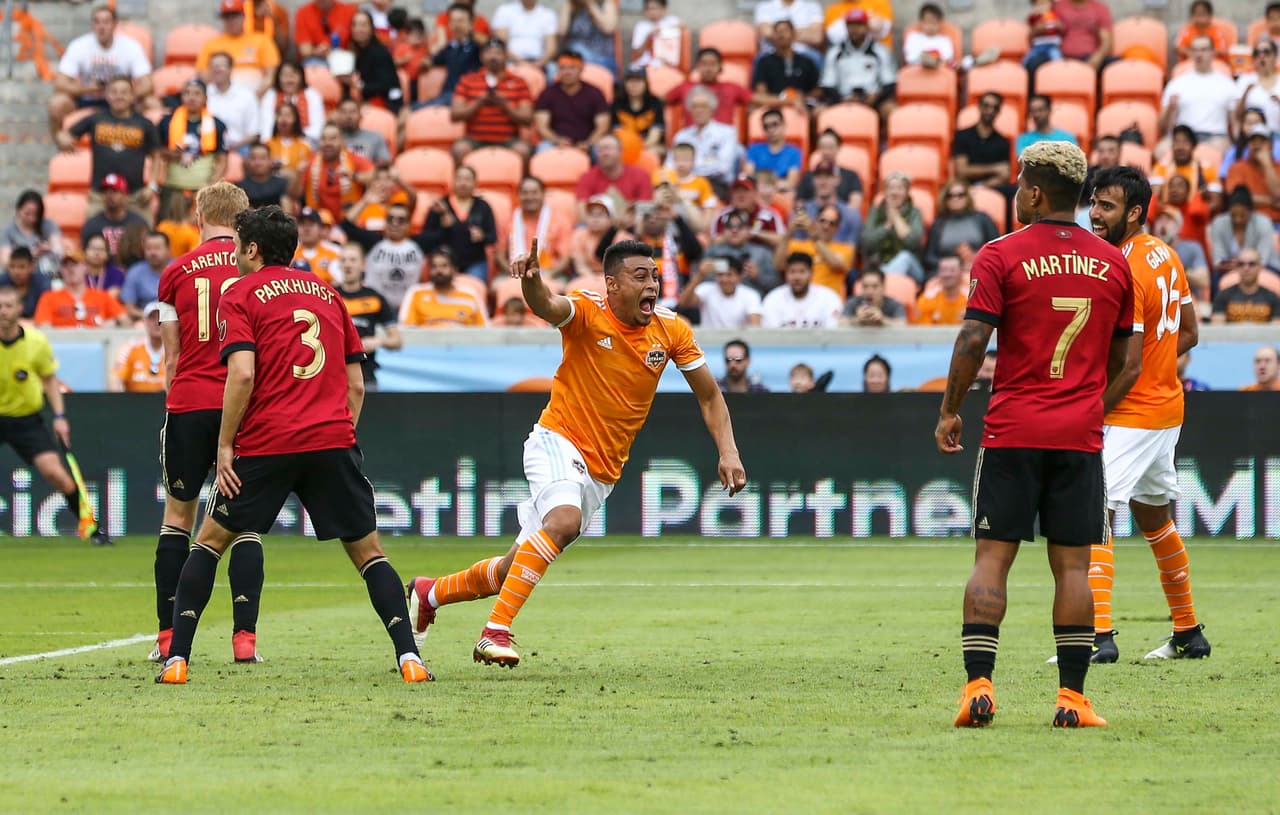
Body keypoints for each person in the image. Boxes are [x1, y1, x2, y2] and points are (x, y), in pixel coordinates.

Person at [403, 238, 746, 668]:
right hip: (557, 439)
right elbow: (546, 304)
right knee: (563, 521)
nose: (652, 285)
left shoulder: (671, 330)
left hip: (602, 472)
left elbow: (711, 396)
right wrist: (531, 281)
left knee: (515, 568)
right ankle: (494, 632)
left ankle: (429, 592)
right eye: (640, 276)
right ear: (612, 285)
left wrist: (728, 451)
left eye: (655, 276)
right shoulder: (587, 311)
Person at [155, 204, 431, 685]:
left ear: (253, 248)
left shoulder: (240, 293)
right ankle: (410, 658)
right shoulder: (327, 292)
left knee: (209, 542)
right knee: (370, 554)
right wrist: (342, 434)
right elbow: (357, 385)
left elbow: (241, 373)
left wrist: (225, 445)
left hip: (268, 442)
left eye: (240, 245)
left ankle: (177, 660)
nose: (236, 255)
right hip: (331, 440)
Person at [936, 140, 1132, 729]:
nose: (1017, 194)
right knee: (1073, 567)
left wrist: (949, 409)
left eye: (1021, 185)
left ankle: (977, 690)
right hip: (1078, 436)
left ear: (1036, 192)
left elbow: (973, 341)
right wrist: (1089, 410)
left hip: (1013, 430)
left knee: (992, 560)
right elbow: (1125, 362)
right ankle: (1072, 699)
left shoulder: (1001, 255)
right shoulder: (1113, 262)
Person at [1084, 164, 1210, 664]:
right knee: (1154, 517)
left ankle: (1098, 638)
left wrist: (1093, 412)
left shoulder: (1124, 268)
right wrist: (1159, 367)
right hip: (1167, 408)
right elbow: (1190, 333)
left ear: (1134, 212)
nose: (1095, 214)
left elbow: (1128, 362)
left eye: (1107, 206)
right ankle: (1187, 633)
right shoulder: (1165, 254)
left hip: (1134, 413)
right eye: (1093, 202)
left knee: (1095, 513)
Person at [148, 182, 263, 663]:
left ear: (199, 217)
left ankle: (168, 639)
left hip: (189, 404)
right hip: (245, 408)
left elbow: (171, 358)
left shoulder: (174, 271)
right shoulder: (257, 272)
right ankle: (244, 641)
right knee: (246, 524)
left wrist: (172, 403)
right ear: (243, 222)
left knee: (178, 518)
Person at [0, 286, 108, 543]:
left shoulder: (36, 342)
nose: (3, 311)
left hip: (26, 419)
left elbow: (49, 381)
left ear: (19, 309)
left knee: (56, 474)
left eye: (8, 306)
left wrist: (59, 417)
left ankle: (91, 528)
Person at [59, 77, 158, 222]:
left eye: (124, 92)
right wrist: (63, 138)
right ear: (107, 95)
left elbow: (157, 156)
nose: (119, 96)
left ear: (132, 96)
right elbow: (65, 134)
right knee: (93, 237)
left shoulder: (145, 124)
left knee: (145, 238)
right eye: (114, 92)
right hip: (100, 196)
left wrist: (152, 186)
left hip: (135, 197)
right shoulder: (96, 119)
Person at [47, 5, 152, 138]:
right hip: (88, 98)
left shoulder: (131, 47)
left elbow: (148, 84)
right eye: (97, 22)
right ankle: (62, 144)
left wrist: (126, 95)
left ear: (115, 24)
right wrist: (87, 89)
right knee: (57, 103)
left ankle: (151, 150)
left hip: (123, 101)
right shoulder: (79, 45)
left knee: (151, 103)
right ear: (92, 25)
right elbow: (60, 83)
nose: (101, 27)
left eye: (106, 22)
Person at [450, 38, 535, 163]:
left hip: (509, 139)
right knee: (459, 149)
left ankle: (526, 183)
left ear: (506, 56)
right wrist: (478, 102)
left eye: (498, 53)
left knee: (523, 150)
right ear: (481, 56)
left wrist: (505, 105)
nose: (493, 57)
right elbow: (455, 115)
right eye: (489, 52)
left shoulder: (519, 82)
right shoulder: (468, 80)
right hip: (474, 139)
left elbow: (527, 119)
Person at [155, 80, 229, 216]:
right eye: (187, 93)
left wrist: (211, 186)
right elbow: (157, 152)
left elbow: (222, 159)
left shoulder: (217, 124)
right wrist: (171, 154)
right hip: (172, 188)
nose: (191, 97)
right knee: (167, 228)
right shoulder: (167, 122)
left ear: (205, 98)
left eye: (196, 93)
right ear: (181, 97)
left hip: (203, 189)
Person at [335, 243, 401, 388]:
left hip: (367, 377)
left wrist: (377, 341)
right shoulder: (330, 295)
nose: (347, 265)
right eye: (344, 260)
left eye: (352, 260)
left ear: (363, 265)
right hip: (335, 377)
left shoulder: (374, 298)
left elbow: (397, 340)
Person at [340, 200, 426, 311]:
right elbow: (346, 225)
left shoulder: (419, 244)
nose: (395, 223)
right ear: (385, 221)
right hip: (375, 309)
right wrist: (366, 200)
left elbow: (447, 233)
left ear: (409, 224)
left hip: (410, 310)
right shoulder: (373, 242)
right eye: (390, 219)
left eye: (401, 220)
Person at [417, 165, 497, 281]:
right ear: (452, 181)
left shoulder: (483, 207)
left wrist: (482, 236)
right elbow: (425, 239)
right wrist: (444, 229)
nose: (463, 183)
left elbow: (492, 237)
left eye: (467, 179)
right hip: (444, 263)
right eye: (459, 179)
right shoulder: (441, 206)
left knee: (474, 288)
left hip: (474, 262)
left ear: (475, 183)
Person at [1157, 37, 1235, 151]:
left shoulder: (1227, 84)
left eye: (1204, 50)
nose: (1199, 54)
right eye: (1195, 50)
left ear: (1213, 52)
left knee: (1223, 148)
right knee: (1161, 149)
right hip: (1183, 136)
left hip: (1215, 137)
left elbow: (1235, 123)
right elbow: (1161, 125)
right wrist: (1170, 109)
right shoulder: (1176, 83)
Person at [819, 9, 897, 118]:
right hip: (843, 98)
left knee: (891, 110)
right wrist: (843, 99)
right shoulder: (835, 52)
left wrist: (875, 98)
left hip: (873, 100)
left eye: (859, 25)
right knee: (819, 112)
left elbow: (889, 83)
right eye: (851, 25)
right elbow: (827, 85)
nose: (854, 29)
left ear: (866, 27)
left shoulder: (880, 51)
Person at [197, 0, 281, 95]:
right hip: (222, 93)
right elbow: (204, 75)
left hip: (257, 92)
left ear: (244, 16)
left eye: (235, 15)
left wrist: (252, 98)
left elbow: (270, 76)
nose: (231, 20)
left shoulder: (262, 40)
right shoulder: (212, 44)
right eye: (227, 17)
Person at [297, 123, 376, 223]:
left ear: (342, 141)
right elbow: (295, 194)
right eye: (323, 139)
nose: (327, 143)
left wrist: (353, 176)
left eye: (333, 139)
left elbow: (375, 177)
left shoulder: (353, 159)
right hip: (319, 224)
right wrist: (298, 175)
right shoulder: (310, 162)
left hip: (350, 223)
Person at [534, 50, 610, 152]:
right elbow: (542, 127)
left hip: (589, 142)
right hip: (555, 142)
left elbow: (602, 126)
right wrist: (557, 140)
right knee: (543, 149)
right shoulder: (547, 93)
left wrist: (588, 143)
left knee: (602, 150)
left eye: (572, 68)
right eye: (563, 68)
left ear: (581, 69)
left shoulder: (595, 93)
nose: (567, 72)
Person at [669, 87, 742, 194]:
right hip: (684, 186)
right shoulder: (681, 136)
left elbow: (722, 168)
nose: (699, 110)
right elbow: (669, 165)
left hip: (716, 186)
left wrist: (689, 168)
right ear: (689, 110)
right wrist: (707, 163)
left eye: (703, 106)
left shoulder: (727, 133)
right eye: (694, 106)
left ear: (712, 109)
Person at [859, 173, 925, 284]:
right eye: (891, 188)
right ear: (885, 192)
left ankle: (884, 281)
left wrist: (895, 216)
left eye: (899, 188)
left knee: (904, 257)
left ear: (907, 193)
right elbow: (866, 242)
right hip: (878, 266)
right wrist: (886, 227)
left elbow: (913, 242)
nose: (894, 193)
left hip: (912, 270)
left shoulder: (915, 213)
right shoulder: (875, 212)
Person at [501, 176, 573, 278]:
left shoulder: (560, 221)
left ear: (543, 194)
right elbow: (499, 254)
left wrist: (550, 274)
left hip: (551, 274)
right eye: (525, 193)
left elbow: (566, 257)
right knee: (500, 286)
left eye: (534, 193)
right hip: (514, 274)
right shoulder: (508, 221)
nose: (530, 197)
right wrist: (512, 271)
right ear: (518, 195)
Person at [778, 204, 853, 299]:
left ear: (837, 228)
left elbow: (836, 264)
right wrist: (788, 233)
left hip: (829, 303)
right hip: (800, 300)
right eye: (822, 221)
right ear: (815, 222)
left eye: (832, 223)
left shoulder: (845, 249)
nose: (826, 226)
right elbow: (779, 265)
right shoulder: (799, 245)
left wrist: (814, 237)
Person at [34, 251, 127, 328]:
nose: (70, 269)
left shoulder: (102, 296)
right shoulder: (49, 298)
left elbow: (125, 320)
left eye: (74, 264)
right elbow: (43, 326)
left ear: (85, 267)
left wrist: (114, 322)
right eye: (66, 265)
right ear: (61, 270)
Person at [925, 181, 1000, 275]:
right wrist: (951, 265)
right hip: (947, 274)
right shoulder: (939, 223)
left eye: (960, 195)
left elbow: (996, 248)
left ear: (967, 197)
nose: (955, 199)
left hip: (980, 269)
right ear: (945, 199)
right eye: (950, 195)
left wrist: (976, 260)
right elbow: (929, 257)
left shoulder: (982, 218)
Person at [664, 48, 752, 128]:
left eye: (713, 64)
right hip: (693, 139)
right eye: (704, 64)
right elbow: (660, 101)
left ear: (720, 67)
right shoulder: (685, 87)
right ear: (697, 67)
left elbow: (756, 100)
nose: (708, 68)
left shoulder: (731, 88)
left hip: (724, 140)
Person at [399, 249, 488, 327]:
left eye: (444, 266)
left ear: (455, 270)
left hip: (462, 344)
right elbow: (406, 328)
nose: (439, 271)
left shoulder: (470, 294)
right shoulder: (416, 293)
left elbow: (484, 328)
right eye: (434, 266)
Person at [704, 207, 779, 295]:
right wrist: (720, 276)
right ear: (723, 230)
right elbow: (701, 282)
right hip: (718, 301)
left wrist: (758, 276)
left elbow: (776, 285)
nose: (734, 230)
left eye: (740, 226)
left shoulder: (762, 253)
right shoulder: (712, 252)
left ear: (748, 230)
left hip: (753, 304)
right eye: (729, 226)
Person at [575, 134, 653, 215]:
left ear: (621, 151)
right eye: (600, 150)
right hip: (597, 225)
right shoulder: (587, 178)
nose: (604, 153)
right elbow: (582, 212)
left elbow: (646, 210)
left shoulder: (641, 175)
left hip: (633, 225)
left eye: (608, 148)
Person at [760, 252, 842, 327]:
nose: (797, 277)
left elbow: (833, 332)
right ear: (785, 274)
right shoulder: (773, 298)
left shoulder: (828, 297)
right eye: (792, 272)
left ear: (811, 273)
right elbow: (770, 335)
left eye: (802, 272)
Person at [1210, 186, 1278, 277]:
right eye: (1233, 215)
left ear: (1251, 212)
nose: (1238, 220)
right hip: (1230, 268)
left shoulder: (1264, 223)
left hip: (1264, 266)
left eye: (1242, 216)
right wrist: (1225, 264)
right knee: (1215, 276)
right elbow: (1218, 257)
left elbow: (1263, 258)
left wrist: (1242, 264)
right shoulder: (1219, 223)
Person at [678, 257, 763, 329]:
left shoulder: (751, 295)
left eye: (729, 275)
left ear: (740, 276)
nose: (724, 279)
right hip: (709, 343)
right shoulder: (706, 289)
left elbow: (755, 325)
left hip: (738, 344)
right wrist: (700, 274)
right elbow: (683, 303)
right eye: (720, 275)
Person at [752, 21, 820, 110]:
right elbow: (761, 92)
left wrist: (802, 97)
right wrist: (787, 101)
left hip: (802, 106)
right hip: (773, 107)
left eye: (784, 31)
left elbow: (817, 90)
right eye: (777, 32)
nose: (781, 35)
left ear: (793, 35)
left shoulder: (806, 61)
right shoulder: (764, 62)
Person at [422, 5, 481, 108]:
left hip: (466, 96)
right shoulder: (449, 47)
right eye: (453, 21)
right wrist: (425, 62)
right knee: (412, 109)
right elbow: (431, 60)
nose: (456, 25)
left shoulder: (478, 48)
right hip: (446, 95)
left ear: (471, 23)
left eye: (460, 21)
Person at [951, 93, 1013, 191]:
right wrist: (994, 169)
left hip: (991, 189)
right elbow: (961, 171)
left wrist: (980, 187)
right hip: (963, 189)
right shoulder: (962, 136)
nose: (990, 111)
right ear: (979, 107)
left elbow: (1004, 174)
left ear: (999, 111)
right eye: (986, 106)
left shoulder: (1003, 142)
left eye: (995, 108)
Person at [81, 175, 149, 262]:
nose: (109, 195)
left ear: (125, 195)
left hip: (132, 270)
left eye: (114, 191)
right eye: (105, 191)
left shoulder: (139, 223)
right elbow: (85, 254)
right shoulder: (92, 225)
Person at [347, 10, 403, 113]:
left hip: (385, 102)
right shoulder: (354, 52)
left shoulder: (380, 52)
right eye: (354, 25)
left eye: (363, 25)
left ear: (372, 29)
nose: (358, 29)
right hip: (364, 100)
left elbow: (386, 85)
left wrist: (361, 86)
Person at [1224, 124, 1280, 225]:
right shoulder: (1237, 167)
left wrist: (1267, 164)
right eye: (1253, 141)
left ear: (1271, 145)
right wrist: (1271, 201)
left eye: (1262, 141)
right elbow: (1238, 198)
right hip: (1247, 224)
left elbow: (1278, 194)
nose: (1256, 144)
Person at [797, 129, 865, 211]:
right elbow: (799, 204)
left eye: (830, 147)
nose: (826, 152)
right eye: (823, 147)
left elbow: (854, 206)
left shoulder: (851, 176)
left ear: (838, 148)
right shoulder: (808, 176)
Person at [259, 61, 326, 143]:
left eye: (293, 75)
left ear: (301, 77)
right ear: (278, 78)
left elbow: (317, 127)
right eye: (285, 75)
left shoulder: (312, 95)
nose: (289, 80)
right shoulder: (270, 95)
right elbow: (266, 127)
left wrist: (298, 143)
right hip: (275, 143)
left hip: (307, 143)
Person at [1, 192, 64, 278]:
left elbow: (59, 250)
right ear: (19, 209)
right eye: (27, 213)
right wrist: (31, 254)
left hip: (46, 273)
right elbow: (5, 262)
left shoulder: (48, 225)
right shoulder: (8, 231)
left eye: (36, 214)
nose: (32, 219)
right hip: (20, 276)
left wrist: (49, 248)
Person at [1151, 207, 1209, 297]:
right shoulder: (1148, 249)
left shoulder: (1192, 248)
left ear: (1179, 226)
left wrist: (1179, 270)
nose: (1162, 224)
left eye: (1168, 220)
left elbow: (1203, 281)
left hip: (1187, 300)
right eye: (1159, 220)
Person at [1211, 248, 1280, 322]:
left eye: (1252, 264)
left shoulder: (1273, 298)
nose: (1246, 268)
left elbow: (1276, 330)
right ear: (1236, 267)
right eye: (1241, 264)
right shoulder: (1222, 296)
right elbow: (1217, 329)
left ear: (1260, 267)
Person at [111, 302, 166, 392]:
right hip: (134, 403)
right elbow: (115, 380)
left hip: (166, 404)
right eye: (152, 318)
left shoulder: (176, 352)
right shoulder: (130, 348)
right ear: (145, 322)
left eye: (161, 318)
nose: (157, 322)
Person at [745, 108, 803, 191]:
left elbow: (791, 183)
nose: (771, 130)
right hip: (758, 195)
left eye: (774, 125)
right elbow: (749, 179)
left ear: (784, 125)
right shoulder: (753, 149)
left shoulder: (794, 152)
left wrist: (764, 184)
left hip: (782, 196)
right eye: (766, 127)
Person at [491, 0, 558, 71]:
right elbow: (501, 44)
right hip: (510, 62)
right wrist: (522, 63)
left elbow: (551, 48)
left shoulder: (547, 14)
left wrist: (538, 64)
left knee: (553, 69)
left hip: (539, 63)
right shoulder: (504, 11)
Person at [612, 68, 666, 157]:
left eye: (638, 81)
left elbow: (656, 133)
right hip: (624, 146)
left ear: (646, 83)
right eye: (630, 81)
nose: (634, 85)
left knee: (654, 152)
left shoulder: (655, 103)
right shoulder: (616, 104)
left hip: (649, 146)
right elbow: (618, 133)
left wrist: (640, 147)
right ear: (624, 84)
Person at [120, 231, 171, 322]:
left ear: (168, 250)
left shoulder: (180, 269)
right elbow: (129, 308)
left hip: (176, 320)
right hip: (145, 321)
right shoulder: (135, 272)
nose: (152, 252)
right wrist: (152, 318)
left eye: (157, 248)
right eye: (148, 248)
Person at [559, 0, 618, 74]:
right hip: (573, 58)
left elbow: (608, 28)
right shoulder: (572, 5)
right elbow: (562, 31)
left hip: (600, 57)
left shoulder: (605, 3)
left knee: (577, 51)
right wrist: (568, 5)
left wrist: (591, 5)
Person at [1233, 41, 1280, 136]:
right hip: (1252, 136)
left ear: (1275, 56)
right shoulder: (1244, 80)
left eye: (1266, 52)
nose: (1261, 56)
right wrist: (1246, 93)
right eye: (1257, 53)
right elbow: (1237, 116)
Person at [1053, 0, 1112, 73]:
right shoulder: (1057, 7)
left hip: (1090, 57)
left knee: (1116, 65)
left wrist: (1098, 57)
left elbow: (1106, 41)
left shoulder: (1100, 8)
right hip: (1061, 58)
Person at [294, 0, 358, 65]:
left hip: (343, 59)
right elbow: (305, 50)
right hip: (315, 60)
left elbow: (356, 44)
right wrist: (317, 51)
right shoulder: (303, 12)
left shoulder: (349, 11)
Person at [333, 97, 392, 166]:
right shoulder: (330, 139)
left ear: (360, 116)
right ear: (337, 116)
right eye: (344, 112)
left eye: (352, 112)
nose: (348, 116)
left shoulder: (375, 137)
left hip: (368, 174)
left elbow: (385, 161)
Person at [291, 207, 344, 283]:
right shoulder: (289, 253)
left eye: (311, 224)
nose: (306, 229)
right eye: (302, 224)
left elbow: (341, 283)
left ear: (320, 228)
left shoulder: (335, 251)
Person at [629, 0, 682, 70]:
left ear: (664, 9)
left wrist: (663, 30)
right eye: (647, 9)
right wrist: (649, 36)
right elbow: (637, 53)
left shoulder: (671, 20)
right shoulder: (641, 26)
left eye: (654, 8)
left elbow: (682, 25)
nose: (651, 12)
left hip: (668, 65)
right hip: (645, 65)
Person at [913, 255, 967, 324]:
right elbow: (922, 330)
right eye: (943, 270)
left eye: (952, 270)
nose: (947, 274)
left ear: (961, 272)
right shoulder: (927, 299)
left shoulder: (970, 300)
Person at [236, 143, 291, 209]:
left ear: (270, 160)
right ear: (247, 161)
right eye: (253, 158)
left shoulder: (281, 184)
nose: (258, 163)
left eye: (263, 158)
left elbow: (287, 211)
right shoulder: (240, 187)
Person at [0, 248, 51, 319]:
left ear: (32, 267)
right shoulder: (2, 281)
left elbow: (45, 314)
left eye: (22, 267)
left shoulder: (42, 283)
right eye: (12, 266)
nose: (16, 271)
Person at [79, 234, 127, 299]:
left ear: (107, 254)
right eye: (93, 248)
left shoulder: (116, 274)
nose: (96, 253)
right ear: (85, 252)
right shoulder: (78, 273)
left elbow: (111, 297)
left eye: (101, 249)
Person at [1023, 0, 1064, 75]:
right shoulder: (1033, 18)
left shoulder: (1055, 15)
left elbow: (1059, 27)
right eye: (1038, 5)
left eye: (1044, 4)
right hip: (1037, 47)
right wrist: (1037, 18)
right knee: (1025, 61)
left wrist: (1045, 26)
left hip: (1052, 46)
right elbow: (1032, 30)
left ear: (1051, 4)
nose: (1042, 7)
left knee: (1058, 61)